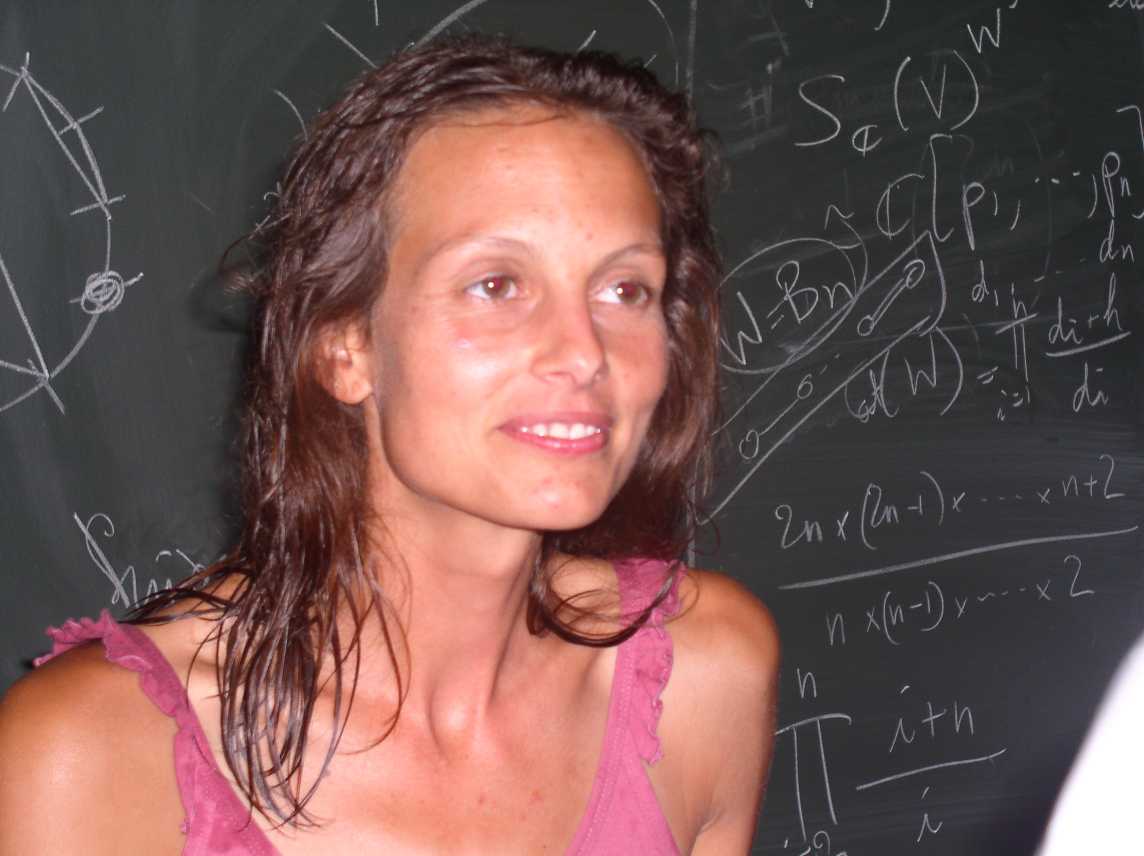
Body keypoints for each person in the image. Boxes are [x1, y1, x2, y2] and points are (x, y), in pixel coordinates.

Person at [0, 35, 779, 854]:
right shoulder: (91, 753)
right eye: (496, 284)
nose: (584, 353)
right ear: (346, 346)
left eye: (625, 289)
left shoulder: (703, 676)